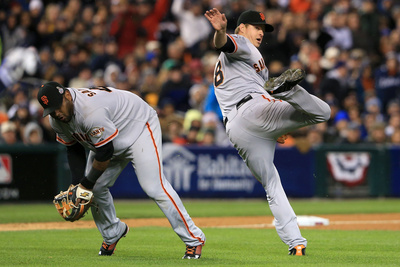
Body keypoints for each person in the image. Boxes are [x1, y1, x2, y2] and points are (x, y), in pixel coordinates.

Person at [204, 8, 331, 256]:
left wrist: (275, 128)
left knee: (272, 185)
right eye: (256, 27)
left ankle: (296, 244)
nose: (261, 32)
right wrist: (220, 31)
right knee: (323, 112)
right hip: (253, 109)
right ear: (241, 28)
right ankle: (288, 91)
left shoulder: (253, 63)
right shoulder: (242, 43)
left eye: (263, 29)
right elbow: (224, 44)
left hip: (238, 129)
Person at [36, 81, 205, 258]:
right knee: (96, 189)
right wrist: (77, 184)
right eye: (51, 111)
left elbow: (105, 152)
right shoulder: (56, 120)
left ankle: (194, 238)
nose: (56, 113)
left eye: (57, 107)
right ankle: (112, 232)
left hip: (138, 127)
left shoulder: (90, 111)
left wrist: (85, 185)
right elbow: (74, 149)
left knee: (154, 187)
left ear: (68, 96)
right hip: (108, 135)